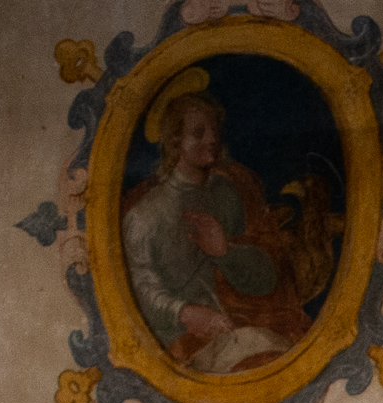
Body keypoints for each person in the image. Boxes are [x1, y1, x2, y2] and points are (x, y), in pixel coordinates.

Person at [121, 79, 316, 374]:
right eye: (199, 132)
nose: (212, 139)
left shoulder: (229, 193)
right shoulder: (145, 215)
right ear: (175, 142)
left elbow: (264, 279)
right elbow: (139, 287)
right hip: (181, 345)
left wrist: (225, 252)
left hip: (235, 329)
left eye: (214, 130)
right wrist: (183, 312)